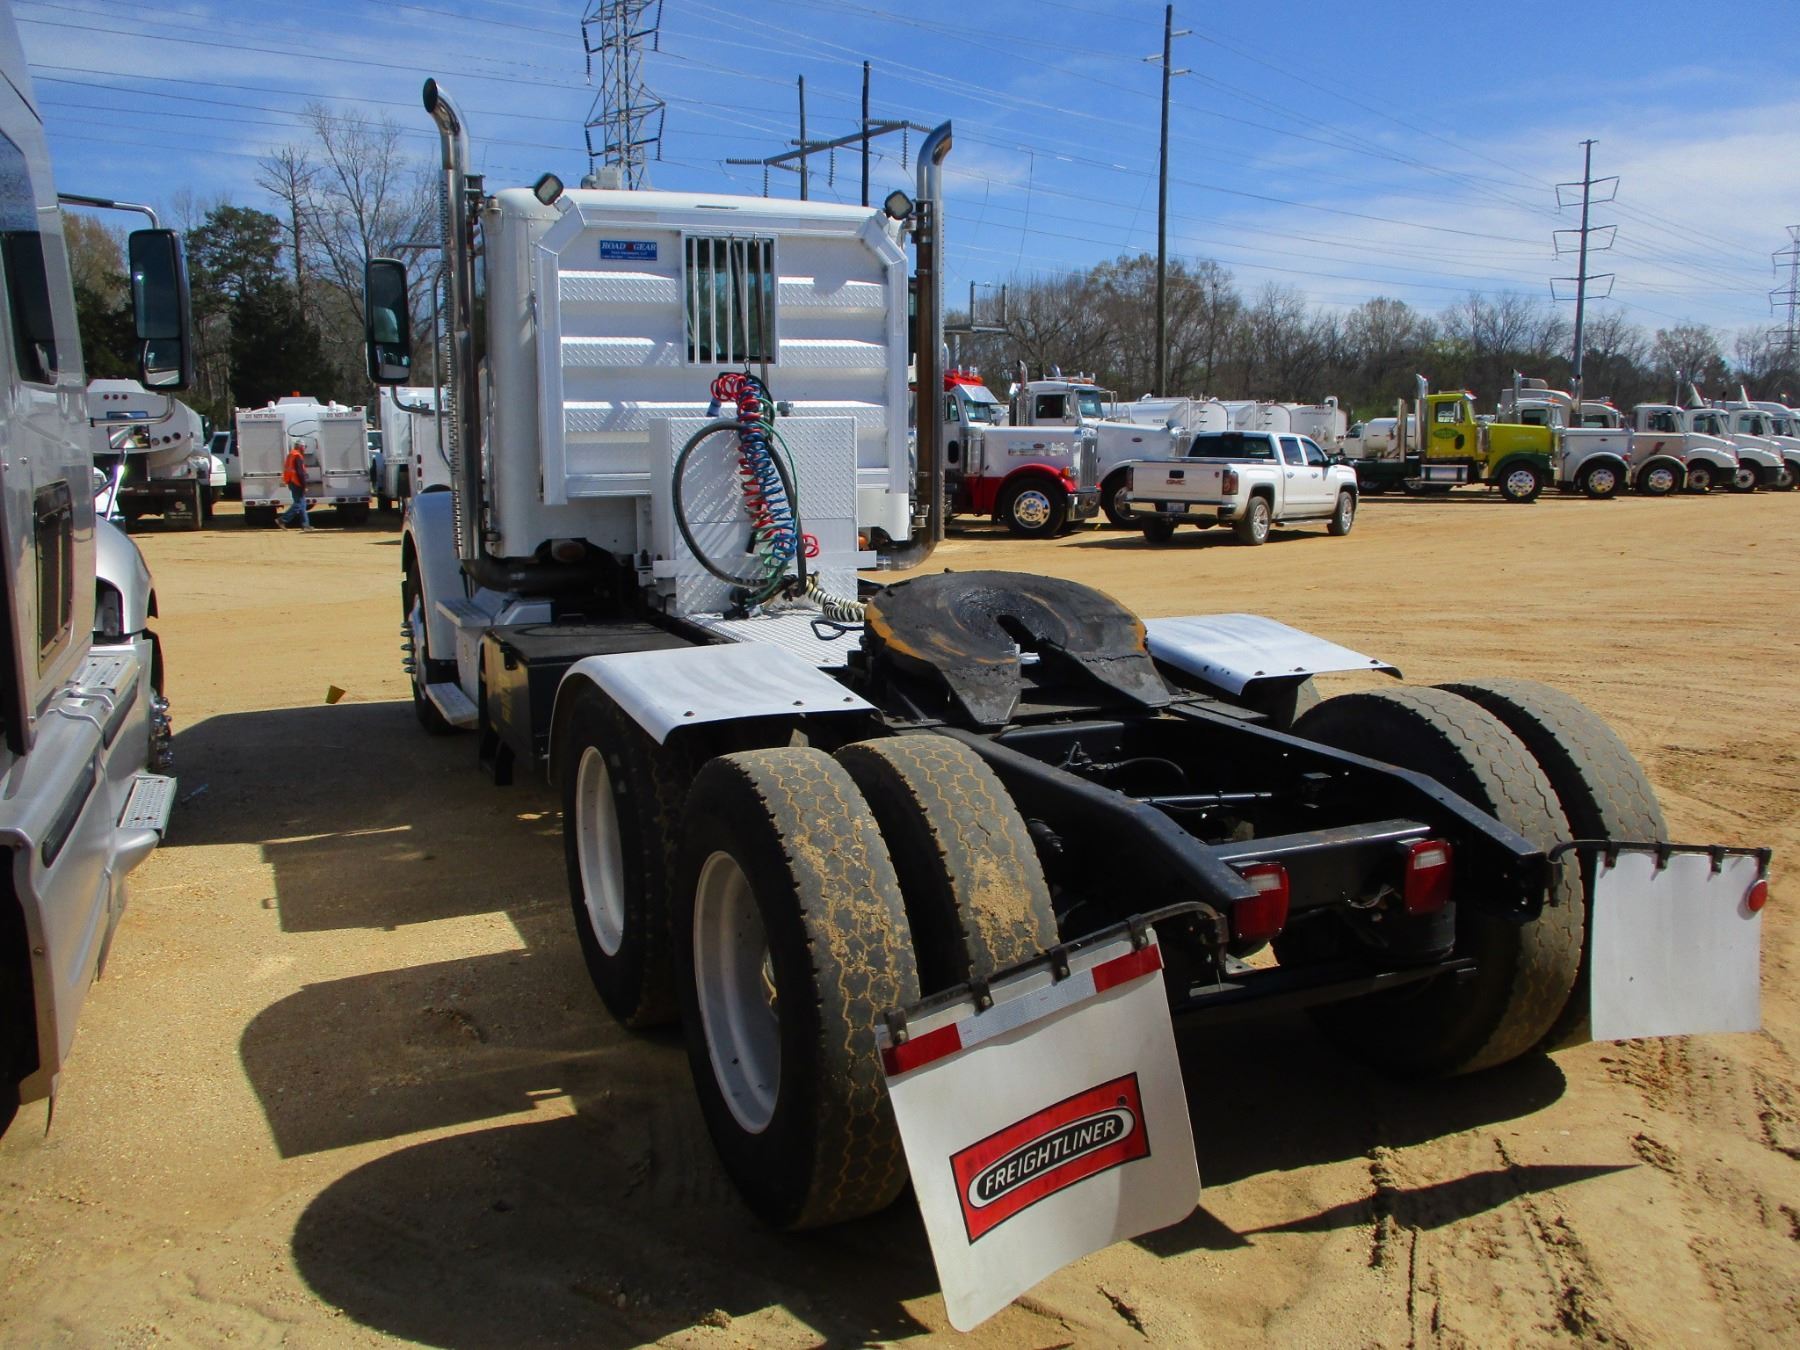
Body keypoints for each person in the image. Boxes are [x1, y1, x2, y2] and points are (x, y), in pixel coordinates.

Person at [277, 440, 314, 531]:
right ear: (300, 447)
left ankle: (305, 525)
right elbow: (300, 473)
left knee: (302, 504)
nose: (305, 449)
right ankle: (282, 519)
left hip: (291, 481)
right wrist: (304, 486)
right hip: (297, 482)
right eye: (304, 447)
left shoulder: (291, 455)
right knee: (298, 504)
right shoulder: (297, 456)